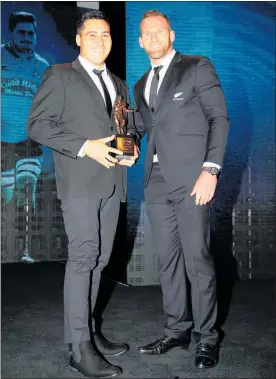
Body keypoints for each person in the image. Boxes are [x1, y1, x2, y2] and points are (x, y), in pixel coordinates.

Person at [28, 10, 138, 378]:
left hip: (112, 184)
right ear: (78, 39)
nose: (99, 40)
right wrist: (84, 146)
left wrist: (132, 147)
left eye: (105, 35)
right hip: (78, 183)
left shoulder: (119, 84)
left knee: (101, 260)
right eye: (92, 34)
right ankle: (78, 348)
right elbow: (38, 125)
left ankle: (88, 332)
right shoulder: (59, 75)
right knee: (83, 257)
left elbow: (128, 128)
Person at [133, 10, 229, 369]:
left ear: (171, 34)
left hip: (193, 179)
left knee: (197, 258)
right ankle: (176, 329)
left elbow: (219, 117)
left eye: (159, 31)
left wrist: (211, 169)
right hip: (156, 182)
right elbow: (143, 129)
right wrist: (126, 147)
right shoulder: (141, 84)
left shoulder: (196, 66)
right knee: (167, 260)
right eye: (147, 34)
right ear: (140, 42)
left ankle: (207, 338)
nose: (154, 38)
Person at [1, 11, 49, 263]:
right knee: (6, 196)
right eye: (21, 32)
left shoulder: (42, 67)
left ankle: (26, 252)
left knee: (27, 191)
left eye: (31, 33)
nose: (27, 37)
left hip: (29, 142)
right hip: (2, 142)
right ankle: (6, 248)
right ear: (11, 33)